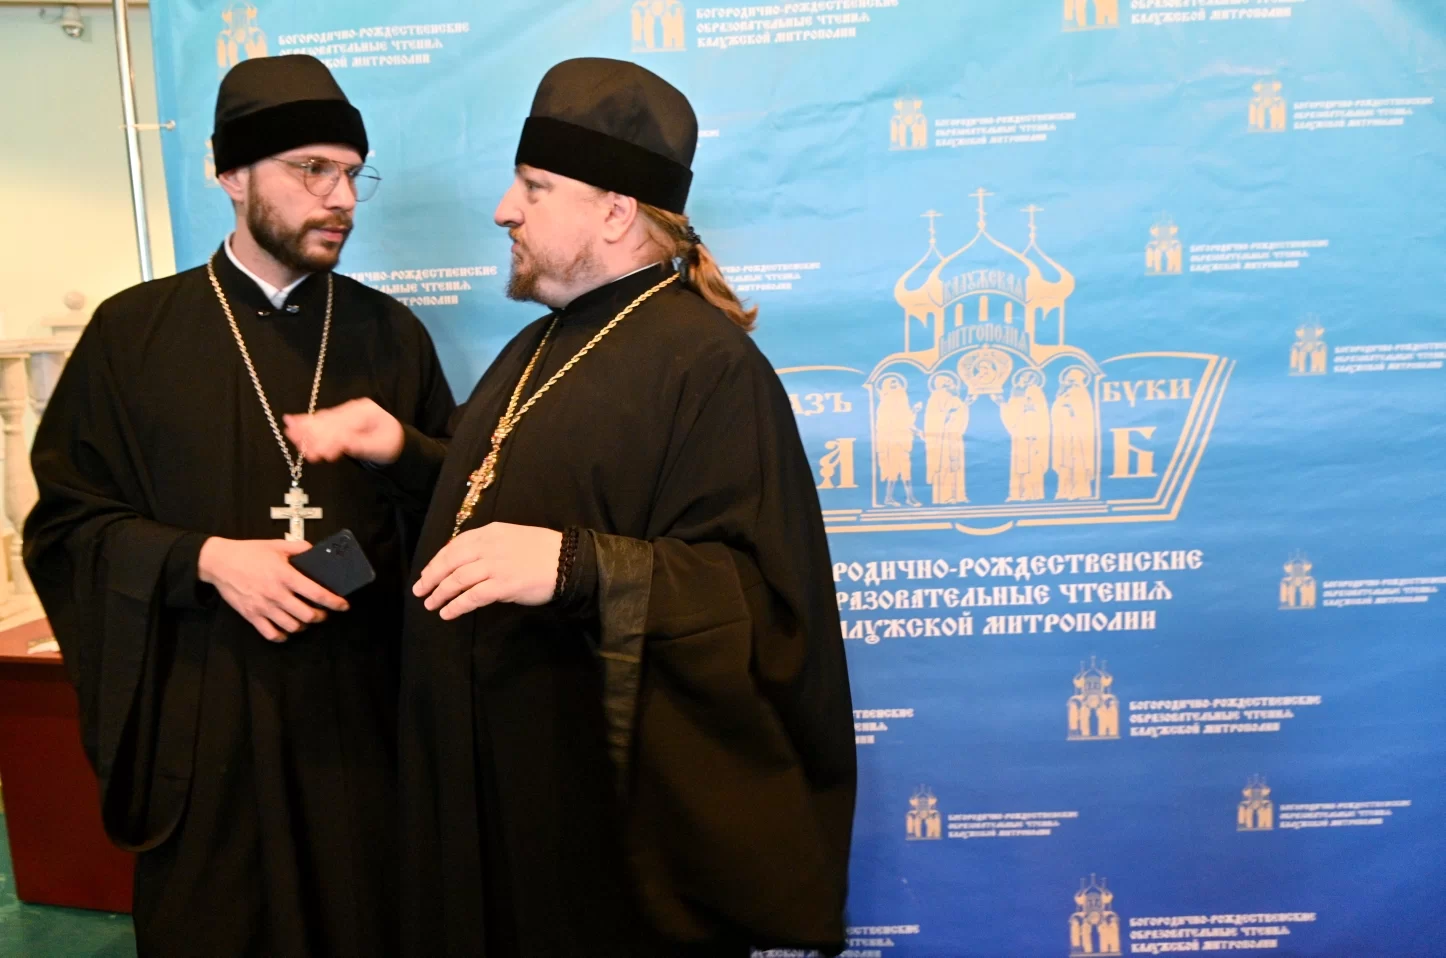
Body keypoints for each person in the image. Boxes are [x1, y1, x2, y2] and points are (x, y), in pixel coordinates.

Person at [286, 57, 856, 958]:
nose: (504, 209)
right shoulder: (538, 345)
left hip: (598, 841)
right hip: (492, 810)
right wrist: (405, 450)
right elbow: (503, 501)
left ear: (616, 211)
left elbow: (761, 602)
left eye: (534, 186)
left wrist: (577, 566)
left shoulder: (711, 368)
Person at [22, 54, 455, 958]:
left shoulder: (389, 334)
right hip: (207, 727)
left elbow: (456, 514)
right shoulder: (133, 335)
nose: (340, 198)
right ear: (231, 175)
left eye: (352, 174)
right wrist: (206, 560)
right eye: (312, 170)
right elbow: (66, 528)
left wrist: (405, 454)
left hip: (357, 731)